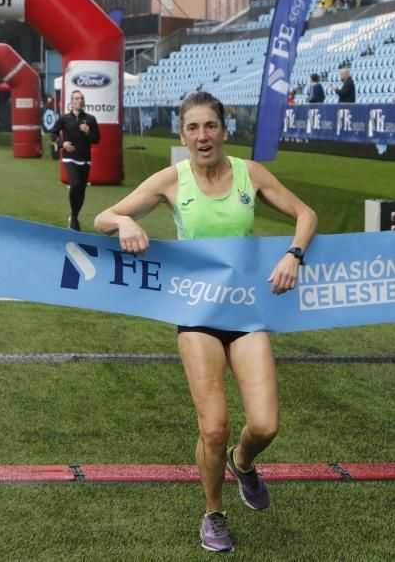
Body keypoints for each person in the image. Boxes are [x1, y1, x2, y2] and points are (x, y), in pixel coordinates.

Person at [93, 92, 317, 553]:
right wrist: (124, 223)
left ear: (224, 129)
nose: (202, 136)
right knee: (213, 426)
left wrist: (295, 253)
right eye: (193, 128)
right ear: (182, 135)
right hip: (196, 314)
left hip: (245, 311)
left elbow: (305, 214)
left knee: (266, 425)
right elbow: (102, 217)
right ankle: (214, 512)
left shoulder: (248, 173)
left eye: (210, 126)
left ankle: (243, 462)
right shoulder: (172, 180)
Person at [50, 90, 101, 231]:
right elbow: (53, 133)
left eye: (82, 98)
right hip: (69, 158)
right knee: (75, 185)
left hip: (85, 159)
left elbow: (97, 139)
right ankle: (73, 218)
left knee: (81, 190)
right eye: (76, 98)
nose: (80, 100)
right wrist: (62, 144)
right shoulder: (65, 118)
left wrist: (88, 132)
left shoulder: (90, 119)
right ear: (71, 102)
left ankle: (74, 217)